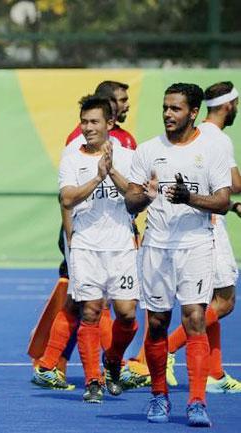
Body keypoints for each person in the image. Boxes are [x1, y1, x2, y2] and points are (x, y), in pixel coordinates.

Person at [125, 83, 231, 427]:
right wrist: (146, 196)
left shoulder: (212, 149)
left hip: (196, 245)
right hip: (156, 248)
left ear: (193, 112)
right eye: (166, 107)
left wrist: (189, 199)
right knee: (157, 322)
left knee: (195, 319)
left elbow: (223, 202)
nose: (168, 114)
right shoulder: (148, 150)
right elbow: (130, 200)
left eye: (176, 109)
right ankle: (159, 396)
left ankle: (197, 402)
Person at [58, 95, 139, 403]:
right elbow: (67, 198)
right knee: (90, 312)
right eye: (84, 121)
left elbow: (136, 197)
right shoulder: (71, 156)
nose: (87, 127)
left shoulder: (129, 156)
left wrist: (113, 172)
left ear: (109, 124)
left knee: (127, 315)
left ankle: (114, 360)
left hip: (121, 246)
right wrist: (97, 177)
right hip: (87, 246)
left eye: (94, 122)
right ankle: (93, 381)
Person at [163, 81, 241, 393]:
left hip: (200, 221)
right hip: (209, 224)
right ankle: (165, 349)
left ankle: (215, 374)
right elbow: (233, 184)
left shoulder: (203, 135)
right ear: (229, 105)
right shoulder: (218, 139)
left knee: (209, 300)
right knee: (225, 302)